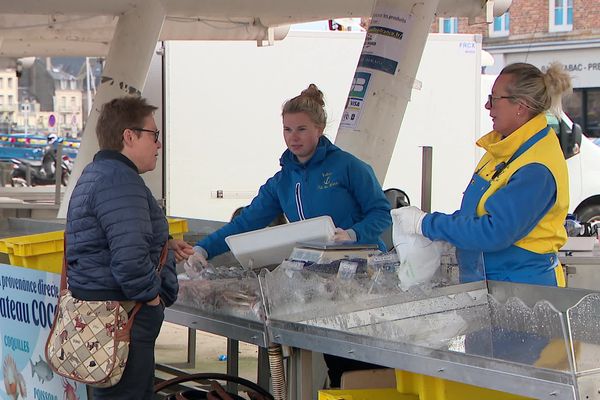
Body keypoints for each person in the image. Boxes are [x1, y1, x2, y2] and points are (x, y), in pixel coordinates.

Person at [184, 84, 392, 387]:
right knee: (333, 363)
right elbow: (245, 223)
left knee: (361, 364)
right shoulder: (282, 181)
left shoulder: (349, 167)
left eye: (301, 129)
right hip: (319, 284)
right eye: (287, 129)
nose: (293, 137)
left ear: (319, 129)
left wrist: (352, 233)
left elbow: (381, 213)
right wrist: (202, 248)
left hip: (363, 279)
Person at [393, 62, 572, 286]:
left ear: (521, 106)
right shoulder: (504, 147)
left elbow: (495, 232)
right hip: (487, 283)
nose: (488, 106)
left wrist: (427, 224)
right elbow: (475, 213)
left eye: (495, 99)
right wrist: (447, 236)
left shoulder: (536, 167)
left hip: (523, 291)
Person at [65, 96, 186, 399]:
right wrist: (153, 300)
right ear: (129, 136)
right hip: (123, 318)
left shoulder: (97, 174)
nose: (158, 144)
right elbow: (129, 261)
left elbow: (104, 240)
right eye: (154, 135)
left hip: (103, 318)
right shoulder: (121, 181)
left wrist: (164, 244)